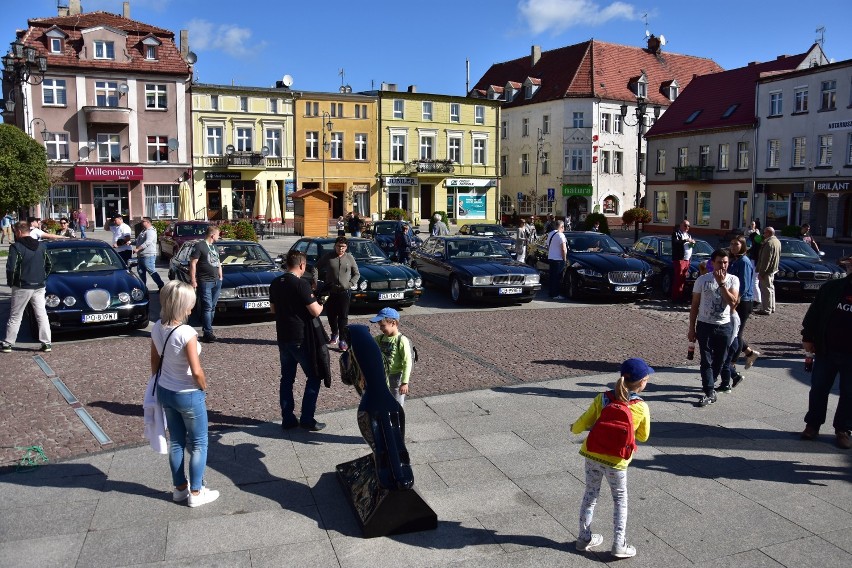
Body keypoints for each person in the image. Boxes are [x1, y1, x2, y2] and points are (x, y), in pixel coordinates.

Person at [570, 358, 652, 558]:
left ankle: (584, 537)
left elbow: (583, 421)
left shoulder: (603, 398)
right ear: (642, 383)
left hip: (592, 454)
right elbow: (643, 436)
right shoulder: (640, 407)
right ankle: (618, 544)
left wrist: (574, 428)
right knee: (620, 501)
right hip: (617, 461)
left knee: (590, 495)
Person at [151, 280, 219, 507]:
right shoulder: (187, 332)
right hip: (187, 391)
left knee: (177, 441)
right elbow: (196, 370)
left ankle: (180, 488)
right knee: (199, 442)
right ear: (181, 305)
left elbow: (154, 363)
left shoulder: (157, 327)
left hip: (166, 389)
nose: (192, 307)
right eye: (190, 303)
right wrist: (204, 387)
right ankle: (197, 493)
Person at [269, 250, 326, 432]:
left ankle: (288, 418)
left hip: (283, 336)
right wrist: (323, 300)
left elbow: (272, 310)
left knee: (287, 378)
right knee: (314, 376)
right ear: (302, 265)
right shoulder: (301, 284)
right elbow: (315, 311)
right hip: (300, 337)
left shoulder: (276, 283)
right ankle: (307, 418)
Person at [800, 257, 852, 449]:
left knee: (849, 393)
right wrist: (808, 337)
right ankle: (812, 424)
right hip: (827, 348)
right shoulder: (832, 288)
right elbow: (814, 313)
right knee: (819, 388)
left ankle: (843, 429)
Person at [689, 248, 740, 406]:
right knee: (706, 360)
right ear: (712, 263)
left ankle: (712, 382)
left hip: (724, 326)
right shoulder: (702, 280)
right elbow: (695, 305)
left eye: (725, 262)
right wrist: (692, 328)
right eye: (719, 262)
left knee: (720, 360)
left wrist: (722, 284)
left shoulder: (733, 280)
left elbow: (732, 303)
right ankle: (709, 391)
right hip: (705, 325)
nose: (723, 266)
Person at [1, 221, 53, 353]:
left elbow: (11, 268)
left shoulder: (16, 247)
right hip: (39, 285)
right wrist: (42, 277)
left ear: (18, 232)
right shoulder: (41, 246)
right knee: (41, 314)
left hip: (22, 285)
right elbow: (49, 264)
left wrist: (12, 282)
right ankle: (46, 343)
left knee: (16, 315)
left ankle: (8, 343)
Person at [315, 236, 360, 351]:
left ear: (346, 247)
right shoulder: (328, 257)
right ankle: (334, 333)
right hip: (330, 291)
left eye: (343, 246)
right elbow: (316, 267)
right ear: (335, 246)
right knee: (331, 315)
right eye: (339, 246)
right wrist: (315, 281)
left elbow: (357, 274)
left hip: (344, 291)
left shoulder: (349, 258)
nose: (341, 248)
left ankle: (343, 340)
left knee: (343, 316)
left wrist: (350, 284)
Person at [726, 236, 759, 385]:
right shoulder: (734, 260)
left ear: (743, 245)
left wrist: (735, 301)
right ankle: (750, 353)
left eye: (736, 244)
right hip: (734, 300)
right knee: (732, 331)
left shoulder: (744, 262)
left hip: (742, 302)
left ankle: (732, 362)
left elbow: (744, 286)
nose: (733, 246)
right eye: (732, 244)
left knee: (736, 333)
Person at [370, 307, 414, 407]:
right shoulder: (380, 338)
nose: (380, 329)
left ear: (393, 323)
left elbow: (407, 362)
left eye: (383, 326)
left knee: (396, 404)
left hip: (396, 377)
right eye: (380, 326)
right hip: (383, 376)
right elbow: (368, 343)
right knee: (384, 402)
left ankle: (397, 420)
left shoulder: (401, 340)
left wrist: (404, 382)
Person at [189, 225, 222, 343]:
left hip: (216, 281)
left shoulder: (215, 248)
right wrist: (193, 280)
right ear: (212, 235)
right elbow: (193, 263)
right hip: (205, 281)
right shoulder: (200, 246)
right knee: (207, 307)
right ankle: (208, 332)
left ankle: (208, 329)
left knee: (212, 307)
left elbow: (218, 262)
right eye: (218, 234)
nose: (219, 236)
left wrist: (221, 277)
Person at [755, 226, 781, 315]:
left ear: (769, 233)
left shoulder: (769, 243)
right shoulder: (777, 241)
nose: (763, 234)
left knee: (766, 290)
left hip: (767, 271)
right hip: (773, 269)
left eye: (765, 233)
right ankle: (772, 307)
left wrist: (761, 273)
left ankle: (766, 309)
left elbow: (766, 260)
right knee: (771, 289)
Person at [134, 216, 165, 290]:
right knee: (141, 272)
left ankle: (161, 286)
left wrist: (138, 249)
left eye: (143, 221)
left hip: (148, 255)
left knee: (151, 271)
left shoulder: (151, 231)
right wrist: (130, 242)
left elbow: (148, 242)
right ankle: (143, 288)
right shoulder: (144, 231)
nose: (142, 223)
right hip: (141, 255)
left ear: (148, 222)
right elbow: (138, 241)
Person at [671, 219, 695, 303]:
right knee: (678, 278)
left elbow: (690, 247)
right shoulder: (676, 233)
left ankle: (681, 295)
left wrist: (692, 243)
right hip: (679, 259)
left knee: (683, 279)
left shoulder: (688, 235)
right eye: (685, 225)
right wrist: (686, 240)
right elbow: (676, 243)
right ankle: (675, 297)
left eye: (688, 226)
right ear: (681, 225)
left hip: (687, 259)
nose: (687, 227)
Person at [546, 219, 567, 300]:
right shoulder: (561, 235)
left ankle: (551, 293)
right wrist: (564, 259)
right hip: (558, 259)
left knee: (552, 277)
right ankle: (556, 294)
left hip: (551, 257)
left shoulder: (551, 234)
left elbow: (547, 245)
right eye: (563, 227)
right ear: (561, 226)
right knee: (557, 278)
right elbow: (563, 249)